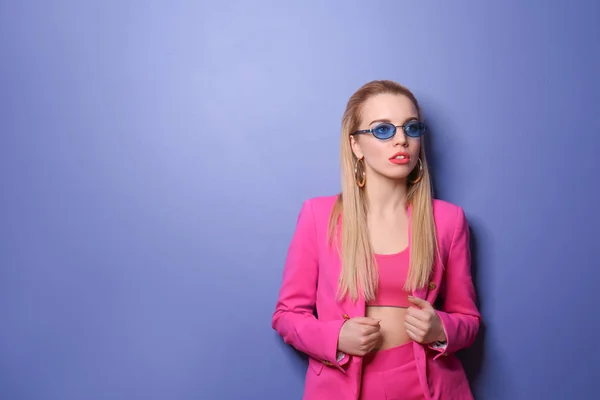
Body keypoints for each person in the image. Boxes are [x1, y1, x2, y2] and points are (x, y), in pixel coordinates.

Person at [271, 80, 481, 400]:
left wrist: (442, 331)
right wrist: (336, 337)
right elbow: (286, 316)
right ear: (356, 145)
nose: (401, 139)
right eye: (383, 130)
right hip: (345, 386)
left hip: (429, 385)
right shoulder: (318, 216)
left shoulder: (449, 221)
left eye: (411, 128)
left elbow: (468, 319)